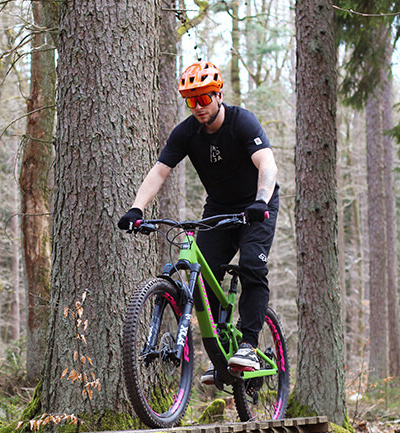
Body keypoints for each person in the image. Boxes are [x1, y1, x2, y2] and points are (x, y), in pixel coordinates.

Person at [117, 61, 279, 381]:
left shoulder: (241, 122)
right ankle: (219, 354)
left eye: (204, 98)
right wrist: (136, 208)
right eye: (191, 101)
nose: (199, 107)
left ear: (218, 95)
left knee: (251, 265)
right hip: (219, 207)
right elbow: (160, 170)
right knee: (202, 278)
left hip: (256, 205)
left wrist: (260, 201)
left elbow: (267, 164)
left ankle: (248, 345)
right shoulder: (187, 132)